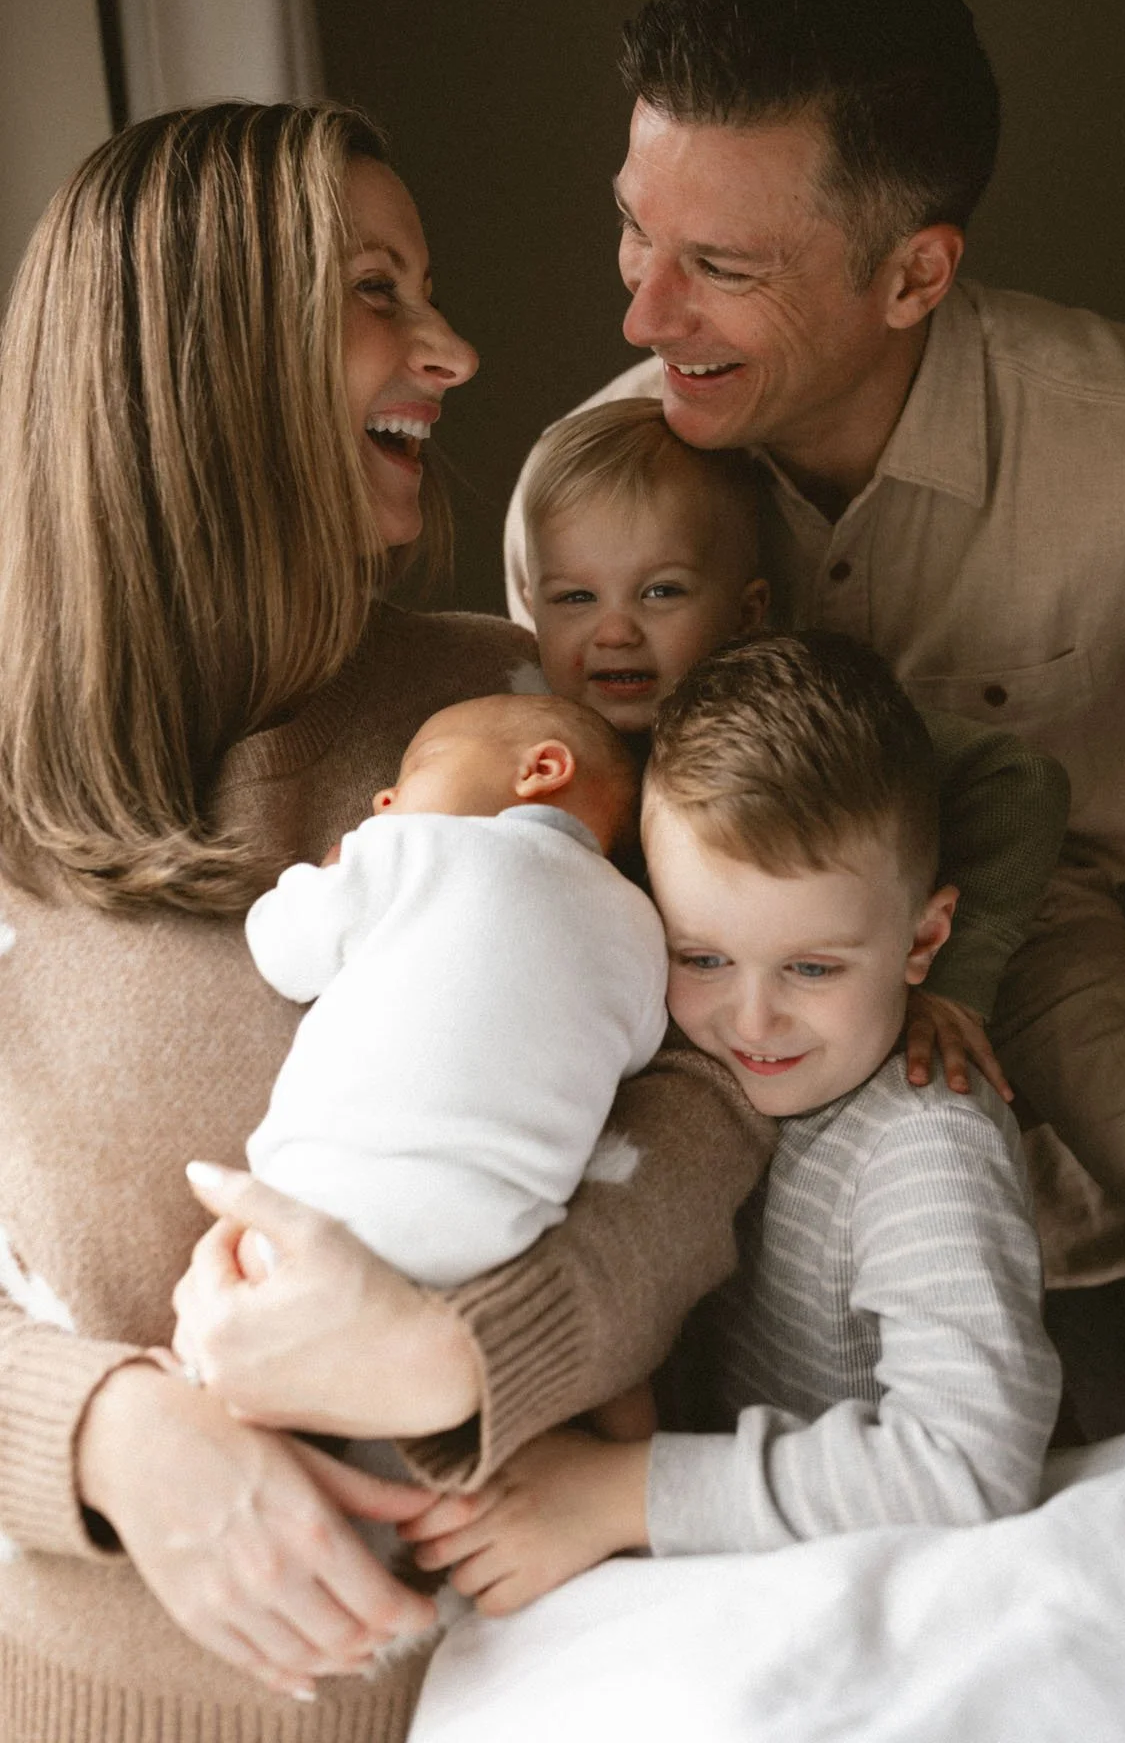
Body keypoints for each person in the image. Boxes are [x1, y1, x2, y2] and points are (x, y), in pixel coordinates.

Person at [0, 101, 773, 1740]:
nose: (454, 350)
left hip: (516, 1691)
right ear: (202, 357)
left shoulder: (507, 705)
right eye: (376, 292)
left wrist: (461, 1355)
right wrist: (101, 1432)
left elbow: (708, 1098)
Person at [503, 0, 1125, 1437]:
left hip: (1111, 1238)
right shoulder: (594, 494)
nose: (641, 312)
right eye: (636, 231)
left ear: (914, 272)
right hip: (748, 1246)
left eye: (721, 267)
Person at [395, 634, 1062, 1613]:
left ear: (923, 939)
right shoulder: (659, 1053)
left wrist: (615, 1493)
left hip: (858, 1590)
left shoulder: (925, 1143)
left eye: (813, 967)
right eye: (701, 957)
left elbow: (966, 1462)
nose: (750, 1022)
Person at [519, 391, 1071, 1093]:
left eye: (660, 593)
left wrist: (962, 978)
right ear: (530, 603)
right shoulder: (532, 744)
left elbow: (1021, 778)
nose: (615, 632)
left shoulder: (787, 727)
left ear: (747, 610)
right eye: (575, 598)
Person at [245, 693, 665, 1286]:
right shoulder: (642, 924)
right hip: (504, 1235)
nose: (383, 798)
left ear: (540, 770)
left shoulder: (418, 846)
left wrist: (331, 874)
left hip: (331, 1188)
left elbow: (284, 952)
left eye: (419, 766)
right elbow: (634, 1052)